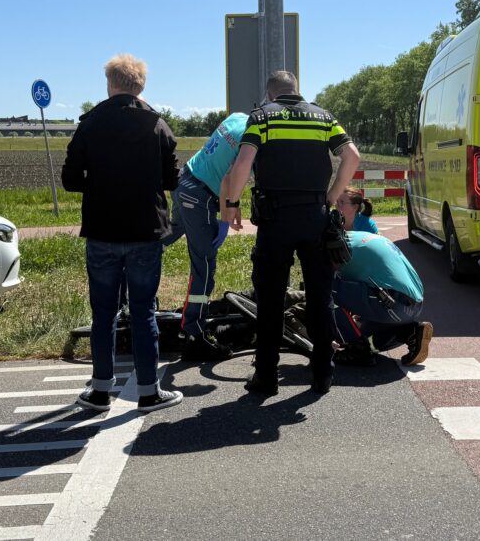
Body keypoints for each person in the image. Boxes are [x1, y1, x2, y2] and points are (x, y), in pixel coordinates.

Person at [222, 70, 360, 396]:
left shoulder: (262, 118)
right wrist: (331, 196)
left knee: (270, 299)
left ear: (270, 95)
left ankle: (266, 378)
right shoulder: (323, 117)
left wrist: (231, 202)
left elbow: (243, 163)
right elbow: (352, 155)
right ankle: (323, 373)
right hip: (316, 216)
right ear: (297, 90)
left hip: (276, 219)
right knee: (320, 296)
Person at [63, 53, 183, 414]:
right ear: (141, 86)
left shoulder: (90, 123)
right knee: (144, 310)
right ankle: (148, 391)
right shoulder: (157, 125)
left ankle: (100, 390)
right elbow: (172, 178)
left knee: (103, 312)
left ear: (110, 84)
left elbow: (70, 179)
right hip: (146, 230)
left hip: (102, 229)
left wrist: (99, 183)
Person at [164, 112, 249, 359]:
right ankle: (194, 334)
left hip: (185, 181)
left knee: (165, 237)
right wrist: (224, 220)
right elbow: (227, 179)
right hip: (200, 196)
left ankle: (130, 273)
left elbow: (223, 164)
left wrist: (233, 205)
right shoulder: (254, 135)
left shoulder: (237, 117)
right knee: (204, 266)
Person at [330, 231, 432, 366]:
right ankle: (410, 332)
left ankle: (358, 350)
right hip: (414, 306)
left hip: (393, 302)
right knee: (367, 334)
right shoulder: (356, 236)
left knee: (325, 289)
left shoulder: (334, 247)